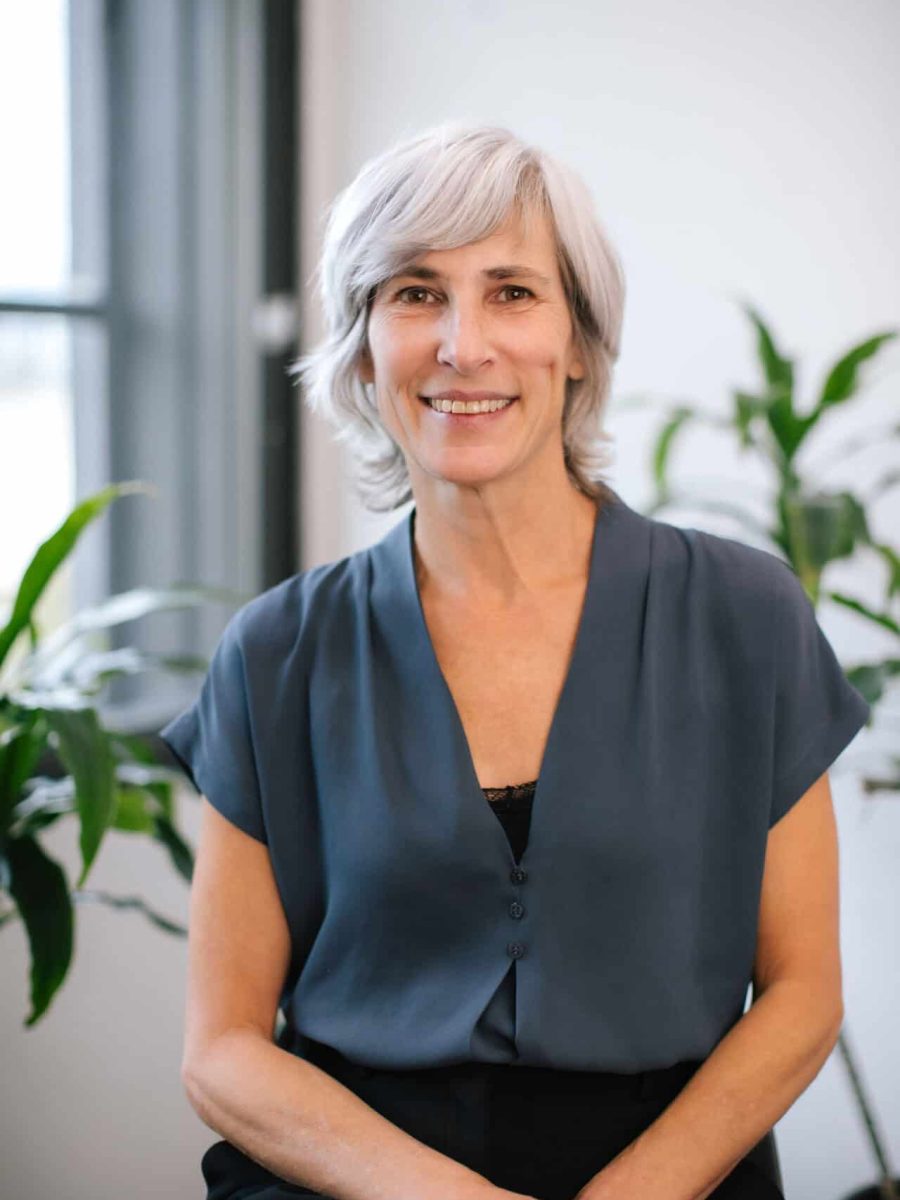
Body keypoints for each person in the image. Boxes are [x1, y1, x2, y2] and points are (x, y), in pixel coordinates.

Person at [160, 123, 871, 1200]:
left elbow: (804, 990)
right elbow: (221, 1050)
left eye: (511, 293)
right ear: (362, 345)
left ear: (581, 340)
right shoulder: (277, 654)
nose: (462, 345)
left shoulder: (743, 615)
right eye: (413, 293)